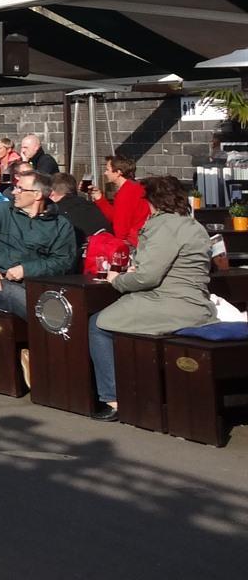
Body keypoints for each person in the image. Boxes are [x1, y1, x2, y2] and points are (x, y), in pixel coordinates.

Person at [89, 175, 217, 421]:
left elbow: (148, 277)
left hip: (171, 305)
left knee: (97, 324)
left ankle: (113, 399)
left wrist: (117, 280)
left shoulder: (163, 225)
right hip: (199, 305)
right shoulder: (193, 225)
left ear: (153, 201)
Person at [0, 172, 75, 319]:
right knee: (40, 310)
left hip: (44, 284)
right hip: (4, 283)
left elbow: (63, 261)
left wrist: (26, 270)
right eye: (15, 187)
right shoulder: (2, 211)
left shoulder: (60, 224)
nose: (14, 192)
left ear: (37, 195)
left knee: (66, 307)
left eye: (20, 189)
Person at [47, 172, 112, 269]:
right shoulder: (91, 206)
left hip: (79, 265)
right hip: (106, 258)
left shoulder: (57, 212)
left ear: (52, 193)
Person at [94, 154, 151, 259]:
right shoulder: (135, 187)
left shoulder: (126, 193)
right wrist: (99, 198)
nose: (105, 173)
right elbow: (116, 216)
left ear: (118, 172)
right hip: (142, 239)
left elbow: (120, 228)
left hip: (133, 244)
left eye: (108, 169)